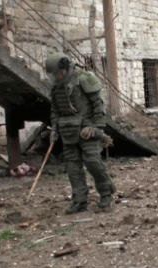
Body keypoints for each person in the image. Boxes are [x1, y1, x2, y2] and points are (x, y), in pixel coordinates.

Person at [45, 52, 115, 214]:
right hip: (67, 132)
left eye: (58, 73)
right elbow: (55, 110)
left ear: (65, 68)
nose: (56, 76)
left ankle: (105, 193)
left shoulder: (83, 78)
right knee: (72, 167)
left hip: (87, 129)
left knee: (92, 162)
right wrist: (55, 129)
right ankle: (79, 200)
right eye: (53, 74)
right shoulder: (57, 86)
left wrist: (98, 127)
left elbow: (98, 103)